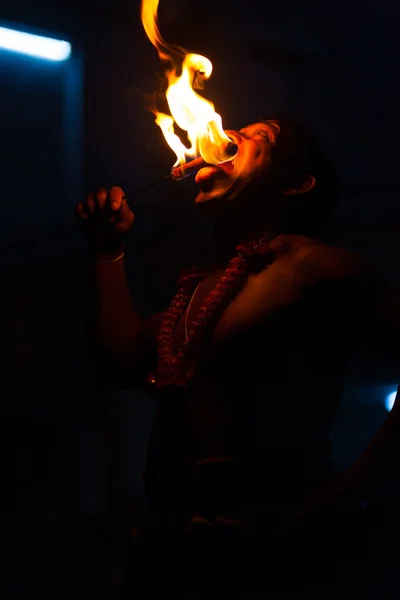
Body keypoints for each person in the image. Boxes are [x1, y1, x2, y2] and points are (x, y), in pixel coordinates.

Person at [76, 118, 399, 591]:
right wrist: (108, 251)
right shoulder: (194, 295)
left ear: (295, 185)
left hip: (276, 560)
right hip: (175, 558)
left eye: (258, 138)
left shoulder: (314, 267)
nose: (226, 136)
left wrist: (350, 488)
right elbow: (122, 362)